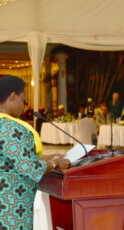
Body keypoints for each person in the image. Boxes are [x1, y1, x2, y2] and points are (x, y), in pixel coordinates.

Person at [0, 75, 70, 229]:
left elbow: (10, 159)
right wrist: (54, 163)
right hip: (10, 204)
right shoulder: (10, 128)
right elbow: (30, 168)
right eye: (22, 100)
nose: (23, 106)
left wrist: (46, 157)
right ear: (12, 96)